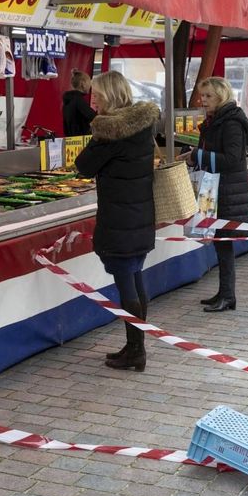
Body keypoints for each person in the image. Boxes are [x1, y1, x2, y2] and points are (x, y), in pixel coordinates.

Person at [74, 71, 160, 372]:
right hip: (140, 216)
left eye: (96, 94)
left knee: (127, 284)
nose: (92, 99)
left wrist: (96, 134)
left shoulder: (110, 131)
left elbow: (83, 166)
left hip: (120, 219)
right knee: (135, 278)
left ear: (109, 96)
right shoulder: (142, 125)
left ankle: (136, 351)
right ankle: (135, 345)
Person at [185, 77, 248, 312]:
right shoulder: (217, 120)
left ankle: (228, 295)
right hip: (218, 189)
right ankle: (225, 293)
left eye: (208, 96)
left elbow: (232, 159)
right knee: (220, 244)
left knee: (223, 244)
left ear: (221, 96)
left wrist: (198, 156)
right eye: (202, 96)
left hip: (226, 191)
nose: (203, 101)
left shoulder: (231, 122)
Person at [62, 69, 96, 136]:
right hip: (81, 141)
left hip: (71, 140)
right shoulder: (78, 100)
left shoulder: (68, 101)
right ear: (82, 83)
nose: (90, 86)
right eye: (89, 82)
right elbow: (94, 117)